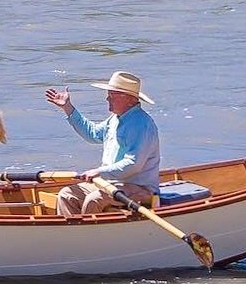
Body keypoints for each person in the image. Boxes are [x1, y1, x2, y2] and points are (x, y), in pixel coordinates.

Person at [45, 71, 160, 216]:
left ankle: (90, 235)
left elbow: (133, 164)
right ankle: (74, 234)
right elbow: (92, 133)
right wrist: (68, 108)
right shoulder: (114, 119)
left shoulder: (142, 124)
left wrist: (99, 172)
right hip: (111, 183)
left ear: (130, 99)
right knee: (67, 195)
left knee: (94, 199)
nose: (107, 98)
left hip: (141, 189)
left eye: (112, 95)